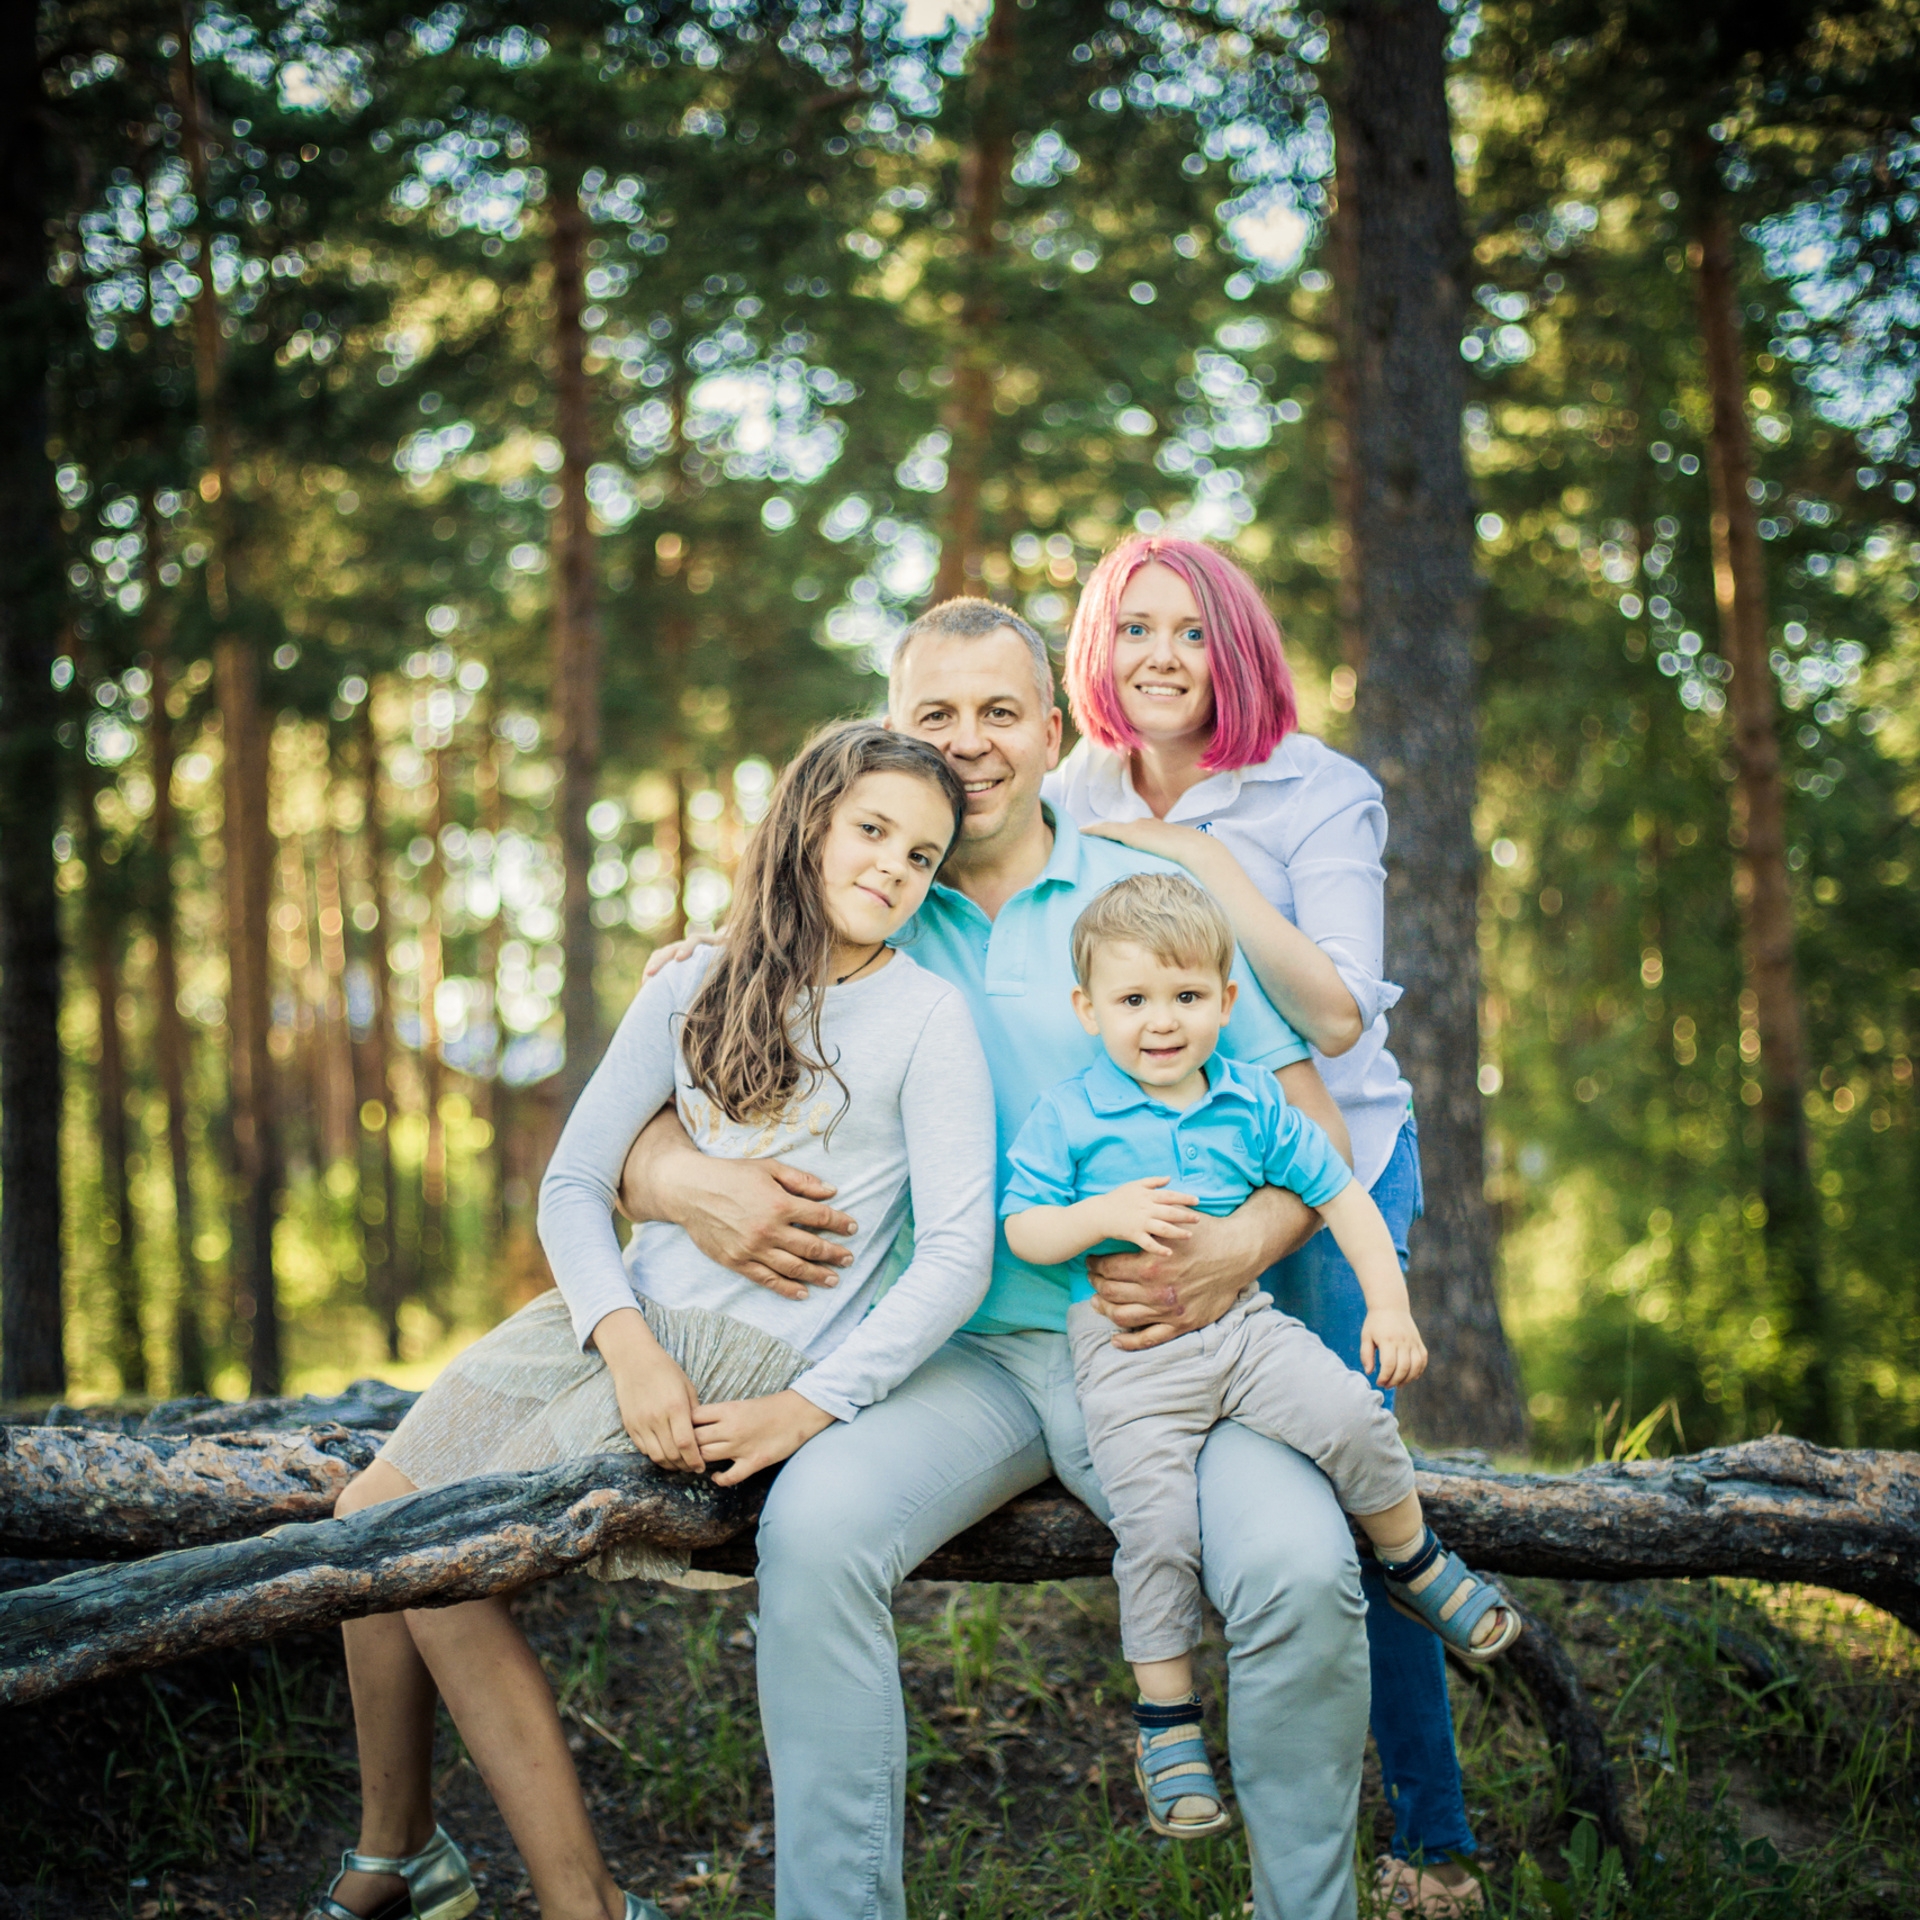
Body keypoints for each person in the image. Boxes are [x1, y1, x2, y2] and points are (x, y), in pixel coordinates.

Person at [620, 598, 1375, 1920]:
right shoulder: (857, 905)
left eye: (999, 712)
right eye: (936, 714)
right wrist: (683, 1180)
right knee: (816, 1535)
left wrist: (1240, 1245)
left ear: (1054, 730)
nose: (968, 742)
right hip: (945, 1356)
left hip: (1166, 1346)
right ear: (891, 729)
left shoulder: (1150, 894)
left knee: (1305, 1571)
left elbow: (1313, 1129)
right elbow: (630, 1136)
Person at [310, 722, 998, 1920]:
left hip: (750, 1362)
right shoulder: (692, 982)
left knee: (439, 1566)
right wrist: (624, 1345)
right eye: (873, 831)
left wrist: (810, 1406)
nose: (894, 867)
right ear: (809, 825)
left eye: (923, 856)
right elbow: (575, 1182)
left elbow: (958, 1255)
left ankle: (590, 1906)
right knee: (367, 1517)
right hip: (611, 1327)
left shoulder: (926, 1018)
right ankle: (400, 1849)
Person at [1048, 533, 1495, 1915]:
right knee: (1223, 1493)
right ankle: (1203, 1753)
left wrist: (1203, 864)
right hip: (1166, 1182)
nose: (1162, 656)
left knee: (1353, 1476)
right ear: (1100, 649)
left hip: (1326, 1170)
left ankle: (1433, 1839)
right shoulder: (1071, 790)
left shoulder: (1320, 789)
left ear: (1236, 650)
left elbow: (1341, 1017)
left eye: (1193, 631)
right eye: (1136, 629)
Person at [1002, 871, 1519, 1840]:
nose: (1163, 1021)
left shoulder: (1249, 1102)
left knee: (1354, 1414)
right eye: (1133, 999)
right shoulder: (1070, 1114)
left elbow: (1342, 1194)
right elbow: (1023, 1227)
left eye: (1187, 995)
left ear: (1226, 1001)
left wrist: (1390, 1306)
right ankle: (1167, 1723)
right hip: (1127, 1356)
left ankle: (1415, 1561)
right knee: (1157, 1530)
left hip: (1241, 1329)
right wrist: (1102, 1214)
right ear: (1088, 1010)